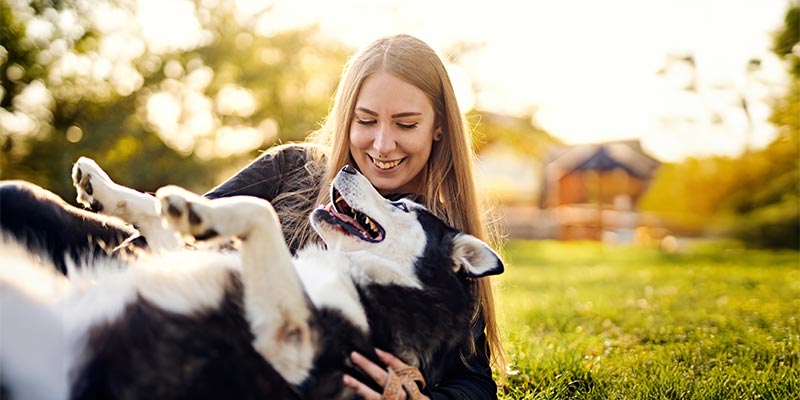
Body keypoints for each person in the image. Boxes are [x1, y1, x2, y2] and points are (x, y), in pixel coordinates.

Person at [203, 34, 505, 399]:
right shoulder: (290, 170)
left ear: (438, 126)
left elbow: (474, 381)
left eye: (405, 125)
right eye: (366, 121)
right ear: (347, 118)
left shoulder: (436, 246)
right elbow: (179, 227)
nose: (382, 144)